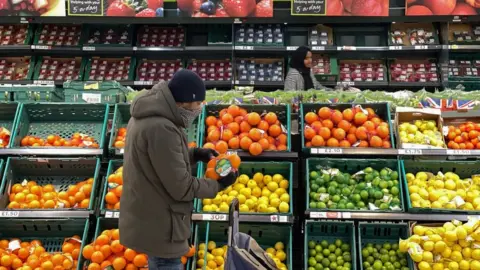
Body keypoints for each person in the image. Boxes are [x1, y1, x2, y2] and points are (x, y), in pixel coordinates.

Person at [119, 69, 237, 270]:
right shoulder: (162, 128)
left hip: (151, 213)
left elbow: (157, 161)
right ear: (183, 102)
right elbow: (181, 187)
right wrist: (218, 184)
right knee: (166, 263)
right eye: (198, 103)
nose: (200, 108)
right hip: (161, 221)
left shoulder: (148, 116)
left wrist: (194, 155)